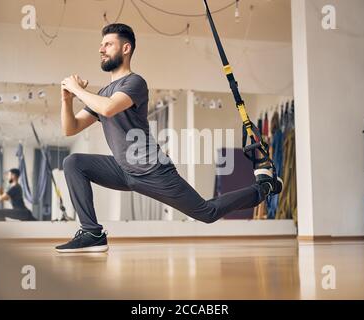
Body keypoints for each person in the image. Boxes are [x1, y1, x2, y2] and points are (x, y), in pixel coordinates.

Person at [57, 23, 282, 253]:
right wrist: (67, 99)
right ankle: (92, 233)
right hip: (122, 169)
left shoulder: (134, 83)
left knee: (207, 213)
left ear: (126, 49)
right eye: (101, 44)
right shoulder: (102, 94)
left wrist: (78, 90)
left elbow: (109, 109)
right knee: (73, 163)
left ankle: (263, 187)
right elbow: (71, 128)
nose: (101, 49)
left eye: (108, 44)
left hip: (152, 170)